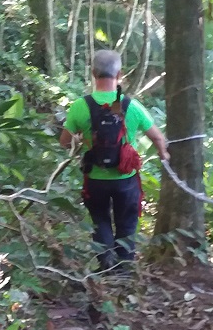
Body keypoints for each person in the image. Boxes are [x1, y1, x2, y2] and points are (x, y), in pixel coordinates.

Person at [61, 50, 169, 276]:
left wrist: (80, 138)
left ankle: (104, 267)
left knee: (100, 221)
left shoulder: (81, 106)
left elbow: (64, 142)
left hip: (95, 179)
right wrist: (164, 158)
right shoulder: (132, 106)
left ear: (93, 73)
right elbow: (158, 138)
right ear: (119, 74)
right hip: (126, 179)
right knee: (127, 225)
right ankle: (124, 273)